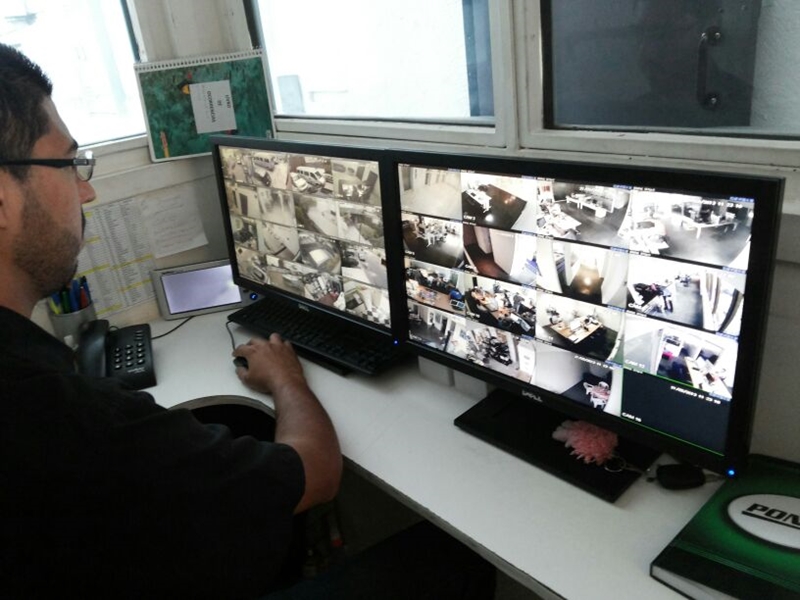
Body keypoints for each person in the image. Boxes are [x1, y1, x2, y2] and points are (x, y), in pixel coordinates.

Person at [0, 44, 495, 599]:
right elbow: (316, 472)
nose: (86, 189)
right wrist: (286, 379)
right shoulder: (51, 410)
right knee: (455, 558)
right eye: (68, 164)